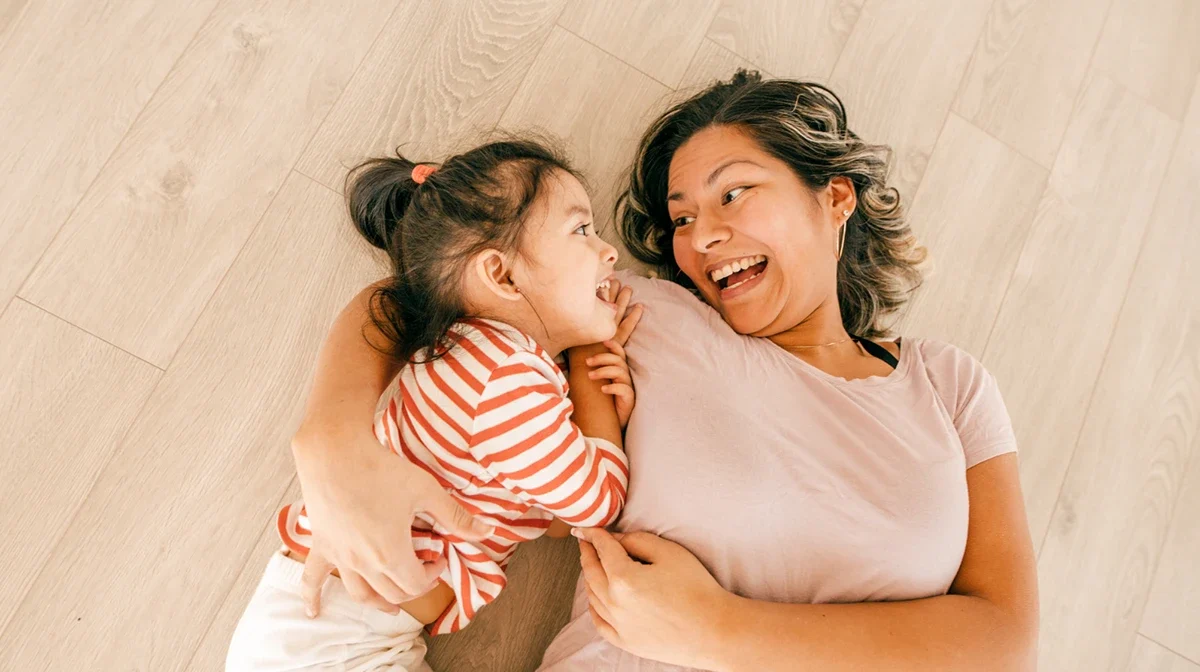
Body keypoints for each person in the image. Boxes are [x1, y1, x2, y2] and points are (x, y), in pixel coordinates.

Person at [287, 71, 1039, 671]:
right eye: (681, 218)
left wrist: (722, 630)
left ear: (834, 197)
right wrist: (330, 442)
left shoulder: (949, 387)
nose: (704, 235)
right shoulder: (641, 320)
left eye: (733, 194)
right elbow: (429, 292)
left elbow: (1003, 645)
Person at [226, 138, 644, 671]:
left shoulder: (490, 365)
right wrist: (593, 366)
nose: (608, 252)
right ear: (502, 275)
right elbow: (599, 504)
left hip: (333, 633)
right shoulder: (505, 381)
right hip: (332, 643)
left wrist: (589, 418)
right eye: (581, 230)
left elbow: (562, 522)